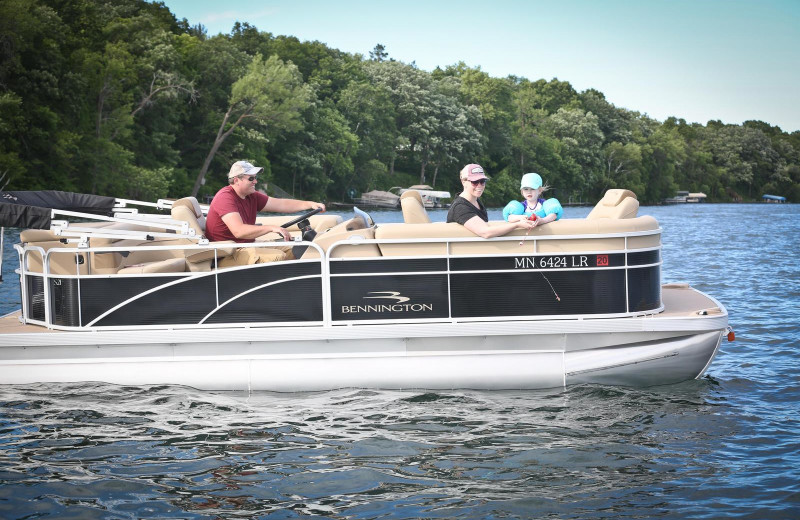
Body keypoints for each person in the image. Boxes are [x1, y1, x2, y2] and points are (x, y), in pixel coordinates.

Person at [205, 160, 326, 243]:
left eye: (256, 178)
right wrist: (272, 228)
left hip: (245, 247)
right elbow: (239, 231)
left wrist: (309, 204)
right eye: (251, 178)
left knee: (298, 248)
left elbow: (281, 204)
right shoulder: (225, 197)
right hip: (227, 253)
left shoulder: (251, 196)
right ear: (236, 180)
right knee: (283, 256)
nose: (255, 181)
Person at [446, 164, 537, 238]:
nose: (480, 185)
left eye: (482, 181)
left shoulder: (476, 201)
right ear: (463, 182)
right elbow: (486, 232)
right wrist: (517, 225)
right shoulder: (460, 207)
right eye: (475, 182)